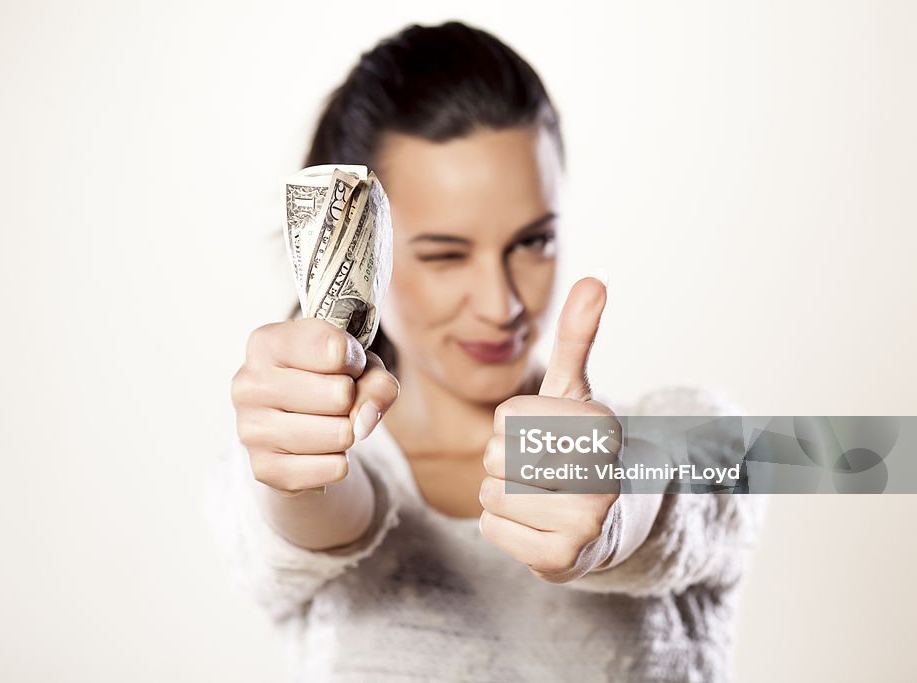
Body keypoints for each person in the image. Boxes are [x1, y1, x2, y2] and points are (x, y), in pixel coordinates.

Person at [208, 20, 768, 682]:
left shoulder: (690, 436)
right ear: (357, 253)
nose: (501, 302)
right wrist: (297, 466)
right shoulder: (294, 468)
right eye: (445, 254)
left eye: (533, 241)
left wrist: (615, 509)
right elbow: (315, 512)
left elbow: (701, 484)